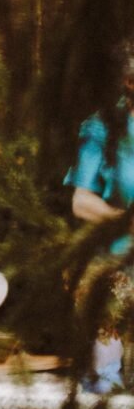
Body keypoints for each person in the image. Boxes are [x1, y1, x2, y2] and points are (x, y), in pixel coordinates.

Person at [64, 42, 134, 389]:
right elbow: (81, 201)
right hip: (112, 271)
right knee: (105, 383)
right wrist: (123, 221)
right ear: (128, 80)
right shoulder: (101, 128)